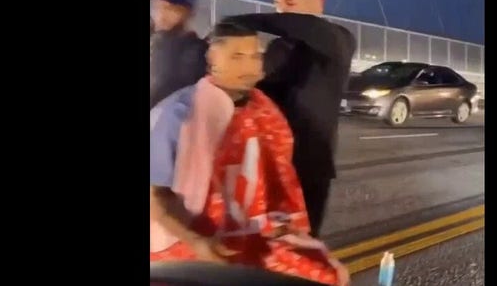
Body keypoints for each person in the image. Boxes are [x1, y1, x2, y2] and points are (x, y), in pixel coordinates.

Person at [149, 21, 349, 286]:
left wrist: (281, 225)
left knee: (328, 276)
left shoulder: (266, 113)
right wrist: (197, 241)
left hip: (255, 238)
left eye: (255, 56)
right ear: (212, 60)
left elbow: (276, 183)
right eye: (237, 56)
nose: (249, 66)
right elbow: (155, 198)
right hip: (188, 245)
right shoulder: (178, 116)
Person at [223, 0, 356, 237]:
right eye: (276, 4)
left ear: (317, 1)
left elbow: (302, 25)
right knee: (263, 251)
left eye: (289, 2)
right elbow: (252, 89)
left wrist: (240, 21)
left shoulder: (338, 40)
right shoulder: (279, 47)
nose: (281, 10)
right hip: (269, 165)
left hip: (308, 166)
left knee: (300, 249)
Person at [150, 0, 208, 109]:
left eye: (171, 9)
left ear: (188, 13)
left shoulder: (198, 52)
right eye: (159, 6)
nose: (161, 14)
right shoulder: (157, 39)